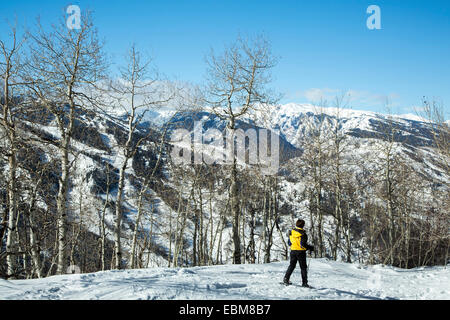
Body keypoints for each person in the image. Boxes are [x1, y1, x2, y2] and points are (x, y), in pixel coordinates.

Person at [283, 219, 314, 287]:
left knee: (292, 266)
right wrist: (310, 247)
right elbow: (303, 245)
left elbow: (289, 243)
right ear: (303, 225)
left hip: (293, 251)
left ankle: (286, 279)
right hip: (301, 252)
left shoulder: (291, 232)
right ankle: (304, 283)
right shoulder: (303, 234)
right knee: (303, 267)